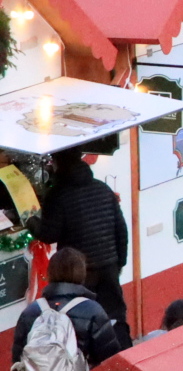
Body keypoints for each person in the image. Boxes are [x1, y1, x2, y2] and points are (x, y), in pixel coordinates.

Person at [29, 141, 128, 331]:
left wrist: (30, 220)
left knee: (82, 325)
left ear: (57, 163)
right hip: (108, 267)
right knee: (114, 320)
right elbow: (121, 230)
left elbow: (49, 234)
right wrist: (118, 264)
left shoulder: (57, 195)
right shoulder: (102, 189)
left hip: (77, 273)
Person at [12, 247, 127, 371]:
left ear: (50, 273)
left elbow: (18, 360)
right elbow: (109, 358)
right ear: (81, 273)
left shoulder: (30, 312)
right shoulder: (92, 310)